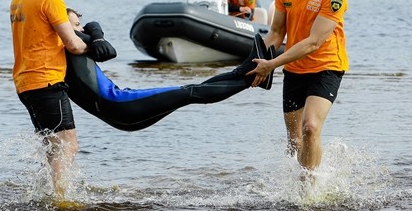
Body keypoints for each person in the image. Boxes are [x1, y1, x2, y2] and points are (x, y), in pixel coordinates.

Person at [10, 0, 117, 197]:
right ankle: (61, 200)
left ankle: (47, 193)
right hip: (47, 81)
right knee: (67, 145)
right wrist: (95, 44)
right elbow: (73, 44)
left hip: (25, 83)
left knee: (52, 146)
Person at [65, 8, 273, 132]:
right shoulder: (67, 42)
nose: (81, 29)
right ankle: (251, 79)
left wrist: (93, 33)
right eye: (76, 25)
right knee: (190, 92)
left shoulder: (71, 43)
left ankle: (245, 71)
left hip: (119, 113)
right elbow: (108, 50)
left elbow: (95, 28)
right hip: (122, 104)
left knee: (192, 91)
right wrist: (96, 36)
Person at [248, 0, 348, 172]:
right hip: (295, 68)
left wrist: (273, 65)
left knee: (310, 128)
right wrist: (254, 61)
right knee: (294, 141)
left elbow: (313, 42)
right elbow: (275, 34)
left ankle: (309, 188)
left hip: (326, 67)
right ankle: (292, 185)